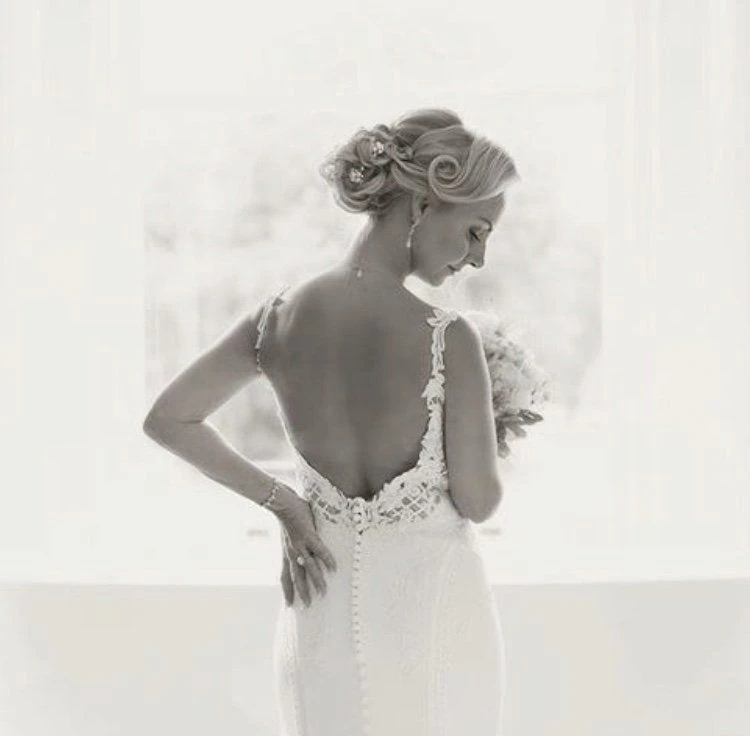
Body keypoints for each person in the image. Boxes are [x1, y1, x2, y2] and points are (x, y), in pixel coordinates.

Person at [143, 107, 519, 735]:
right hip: (433, 616)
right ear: (424, 204)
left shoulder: (275, 320)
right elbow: (478, 501)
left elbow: (169, 418)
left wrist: (284, 503)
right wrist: (491, 422)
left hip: (320, 608)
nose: (478, 257)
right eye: (476, 230)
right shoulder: (448, 337)